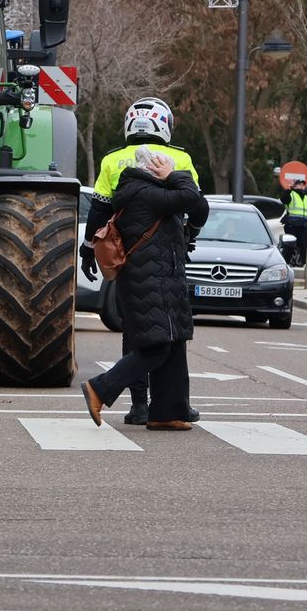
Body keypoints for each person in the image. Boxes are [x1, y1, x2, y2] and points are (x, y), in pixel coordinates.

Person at [79, 96, 201, 426]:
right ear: (165, 125)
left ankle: (145, 407)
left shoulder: (111, 161)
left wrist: (89, 248)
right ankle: (123, 395)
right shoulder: (180, 159)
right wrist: (190, 234)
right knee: (164, 336)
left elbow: (100, 211)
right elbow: (195, 206)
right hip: (166, 258)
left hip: (127, 257)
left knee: (140, 331)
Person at [283, 178, 307, 267]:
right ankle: (285, 263)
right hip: (292, 224)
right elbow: (284, 200)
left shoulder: (306, 197)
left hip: (303, 225)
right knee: (289, 245)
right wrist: (289, 189)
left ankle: (303, 264)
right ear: (295, 186)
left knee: (303, 245)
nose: (301, 186)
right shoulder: (291, 194)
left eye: (303, 184)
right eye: (299, 184)